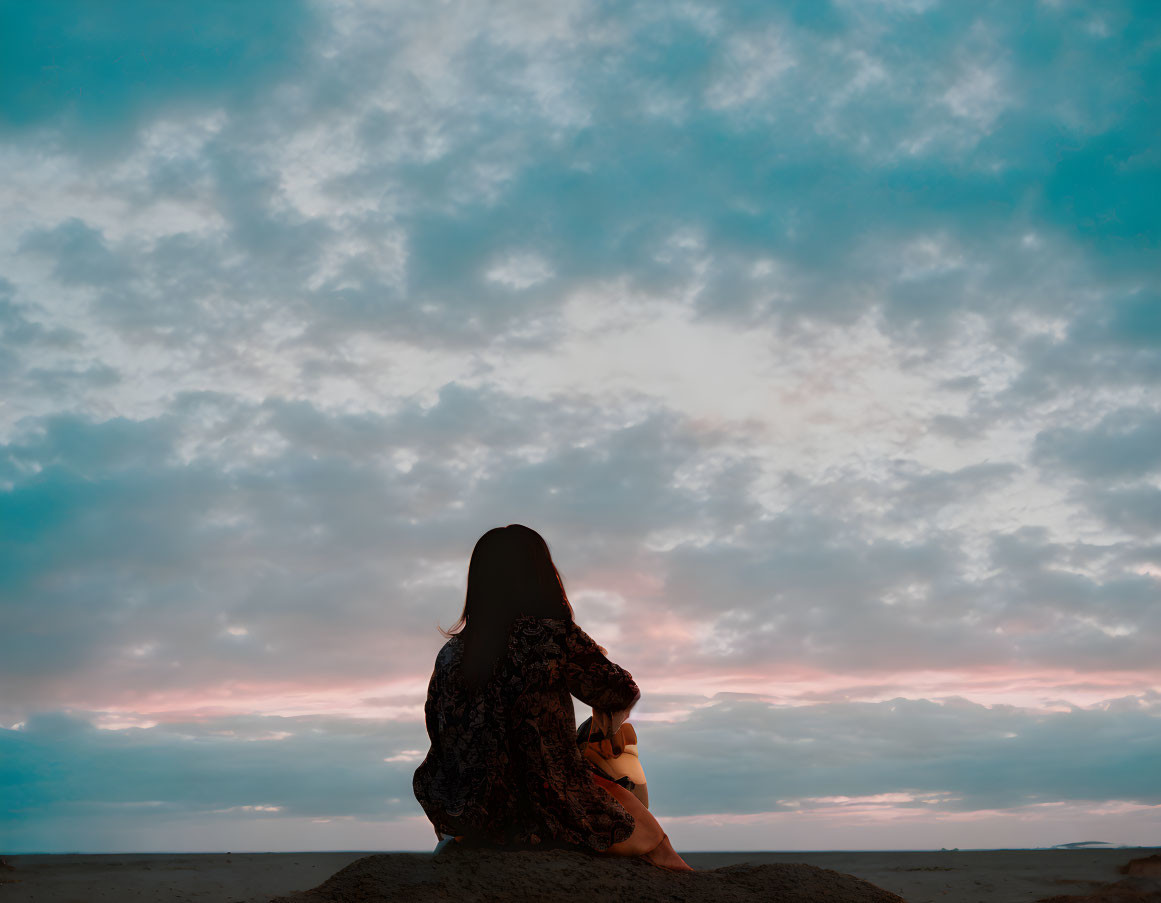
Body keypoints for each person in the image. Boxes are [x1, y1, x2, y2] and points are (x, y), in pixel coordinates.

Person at [412, 524, 693, 872]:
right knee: (653, 833)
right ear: (542, 575)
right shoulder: (550, 635)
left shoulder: (450, 655)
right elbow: (620, 690)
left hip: (467, 816)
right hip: (547, 809)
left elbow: (438, 733)